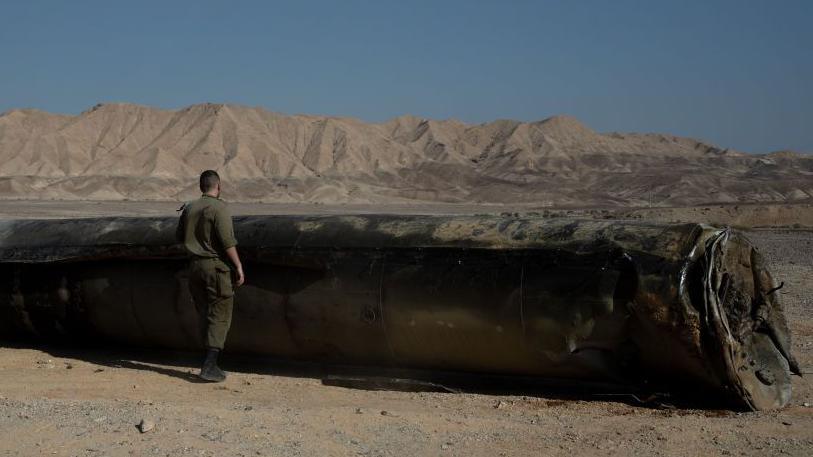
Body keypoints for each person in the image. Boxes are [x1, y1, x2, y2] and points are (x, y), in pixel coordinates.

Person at [176, 170, 245, 382]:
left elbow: (179, 237)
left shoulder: (189, 208)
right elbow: (227, 241)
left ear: (200, 187)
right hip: (215, 268)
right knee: (220, 313)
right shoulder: (219, 208)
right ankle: (210, 365)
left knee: (204, 312)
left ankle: (208, 361)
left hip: (194, 267)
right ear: (219, 186)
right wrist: (238, 266)